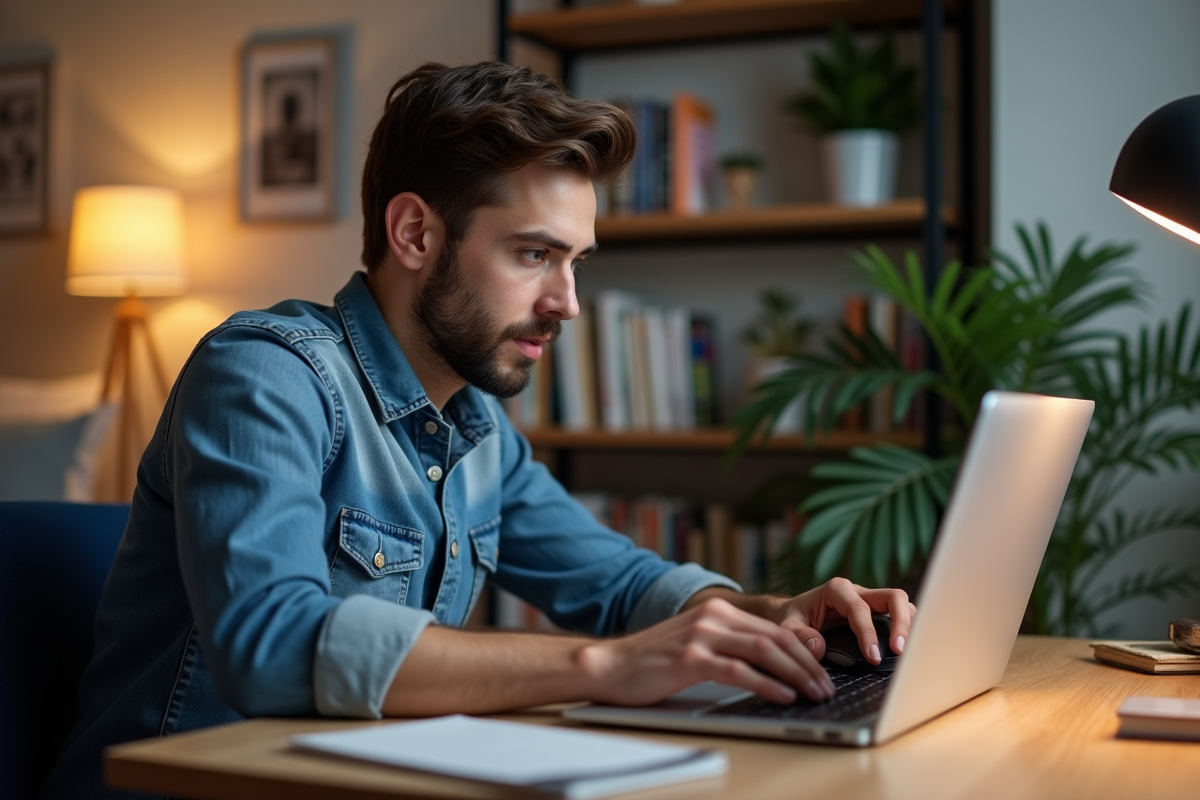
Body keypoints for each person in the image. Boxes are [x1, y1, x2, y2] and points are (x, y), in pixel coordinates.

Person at [42, 61, 914, 799]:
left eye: (574, 262)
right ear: (415, 231)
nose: (566, 303)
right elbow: (269, 646)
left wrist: (759, 616)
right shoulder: (264, 373)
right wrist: (607, 670)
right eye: (535, 254)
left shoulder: (478, 428)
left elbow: (618, 583)